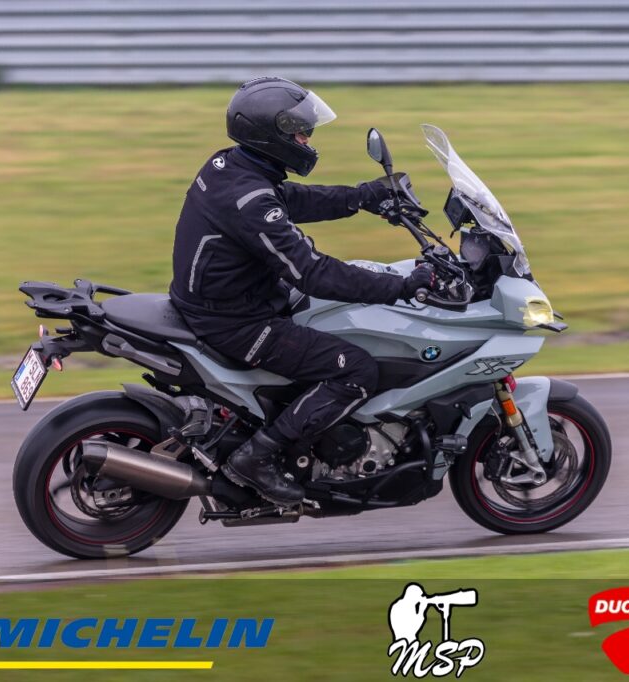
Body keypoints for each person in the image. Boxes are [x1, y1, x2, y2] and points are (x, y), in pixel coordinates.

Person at [169, 77, 434, 506]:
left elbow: (288, 200)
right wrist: (401, 287)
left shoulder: (233, 167)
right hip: (236, 321)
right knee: (356, 370)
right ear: (268, 134)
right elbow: (312, 272)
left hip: (233, 298)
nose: (307, 139)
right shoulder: (251, 201)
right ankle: (257, 458)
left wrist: (362, 197)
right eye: (298, 131)